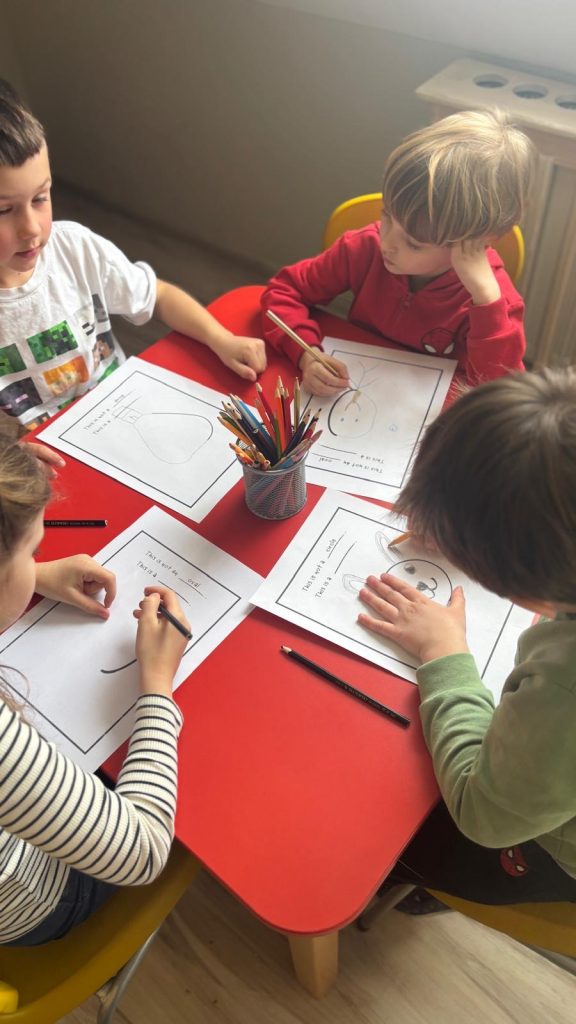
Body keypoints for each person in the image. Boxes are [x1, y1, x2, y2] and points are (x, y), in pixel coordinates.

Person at [357, 367, 576, 907]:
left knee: (384, 833)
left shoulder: (564, 691)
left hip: (539, 847)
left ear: (523, 592)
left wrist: (444, 651)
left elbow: (484, 815)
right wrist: (470, 521)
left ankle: (409, 890)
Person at [0, 413, 189, 945]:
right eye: (32, 551)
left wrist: (33, 576)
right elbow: (143, 851)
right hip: (37, 895)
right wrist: (156, 685)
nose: (38, 559)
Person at [0, 78, 266, 432]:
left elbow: (160, 296)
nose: (31, 228)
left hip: (122, 419)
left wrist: (222, 339)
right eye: (4, 210)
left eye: (40, 198)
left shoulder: (76, 249)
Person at [261, 110, 535, 396]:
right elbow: (283, 292)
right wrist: (307, 354)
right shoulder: (365, 247)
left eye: (414, 243)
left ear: (477, 241)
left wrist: (486, 301)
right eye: (388, 216)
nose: (387, 243)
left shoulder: (494, 300)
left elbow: (499, 394)